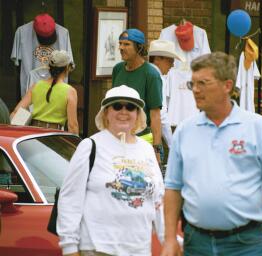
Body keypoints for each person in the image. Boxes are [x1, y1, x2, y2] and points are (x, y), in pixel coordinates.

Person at [161, 52, 262, 256]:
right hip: (196, 243)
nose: (196, 90)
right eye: (192, 84)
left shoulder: (258, 128)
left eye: (203, 83)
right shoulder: (185, 131)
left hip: (245, 244)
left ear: (227, 86)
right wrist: (170, 239)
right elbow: (173, 188)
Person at [57, 85, 165, 256]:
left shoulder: (146, 149)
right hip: (98, 248)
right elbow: (70, 198)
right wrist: (69, 247)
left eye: (130, 107)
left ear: (137, 114)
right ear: (106, 113)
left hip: (139, 250)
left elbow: (158, 200)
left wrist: (168, 240)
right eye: (117, 106)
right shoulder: (90, 146)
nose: (124, 111)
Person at [112, 28, 163, 163]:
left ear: (139, 48)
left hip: (141, 140)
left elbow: (155, 115)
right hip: (116, 139)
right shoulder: (117, 69)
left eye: (126, 44)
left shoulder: (151, 74)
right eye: (120, 44)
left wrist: (157, 149)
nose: (121, 48)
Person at [10, 50, 78, 134]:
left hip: (33, 135)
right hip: (55, 136)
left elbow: (16, 112)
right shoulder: (70, 91)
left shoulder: (36, 86)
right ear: (67, 68)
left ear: (49, 67)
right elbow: (72, 126)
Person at [148, 39, 184, 153]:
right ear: (158, 59)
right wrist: (172, 145)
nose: (172, 65)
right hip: (150, 138)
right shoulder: (157, 78)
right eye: (170, 61)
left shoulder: (144, 73)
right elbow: (161, 115)